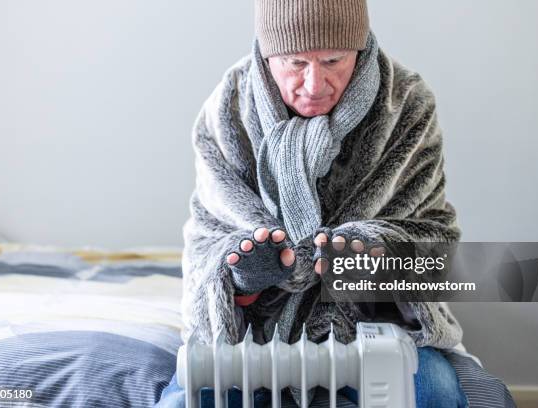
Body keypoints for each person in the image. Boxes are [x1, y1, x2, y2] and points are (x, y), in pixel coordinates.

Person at [156, 0, 516, 406]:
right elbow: (208, 239)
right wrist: (242, 281)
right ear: (268, 53)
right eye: (295, 63)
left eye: (333, 60)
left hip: (378, 324)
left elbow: (436, 242)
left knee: (440, 393)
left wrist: (373, 257)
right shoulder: (227, 110)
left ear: (358, 49)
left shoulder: (407, 104)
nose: (314, 84)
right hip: (257, 330)